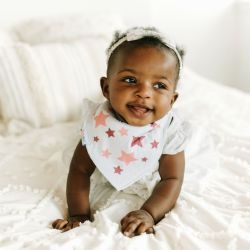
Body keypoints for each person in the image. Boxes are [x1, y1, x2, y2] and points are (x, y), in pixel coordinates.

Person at [52, 27, 188, 237]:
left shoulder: (169, 131)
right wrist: (78, 215)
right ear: (106, 88)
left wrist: (149, 213)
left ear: (172, 99)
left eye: (159, 85)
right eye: (130, 80)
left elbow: (172, 179)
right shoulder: (97, 126)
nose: (144, 93)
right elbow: (80, 170)